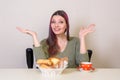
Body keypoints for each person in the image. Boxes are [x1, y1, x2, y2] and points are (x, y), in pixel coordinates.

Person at [16, 10, 95, 68]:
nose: (56, 25)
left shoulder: (76, 41)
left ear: (66, 25)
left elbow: (84, 65)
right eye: (53, 22)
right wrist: (34, 36)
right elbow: (41, 65)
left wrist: (82, 38)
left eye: (61, 22)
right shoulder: (44, 43)